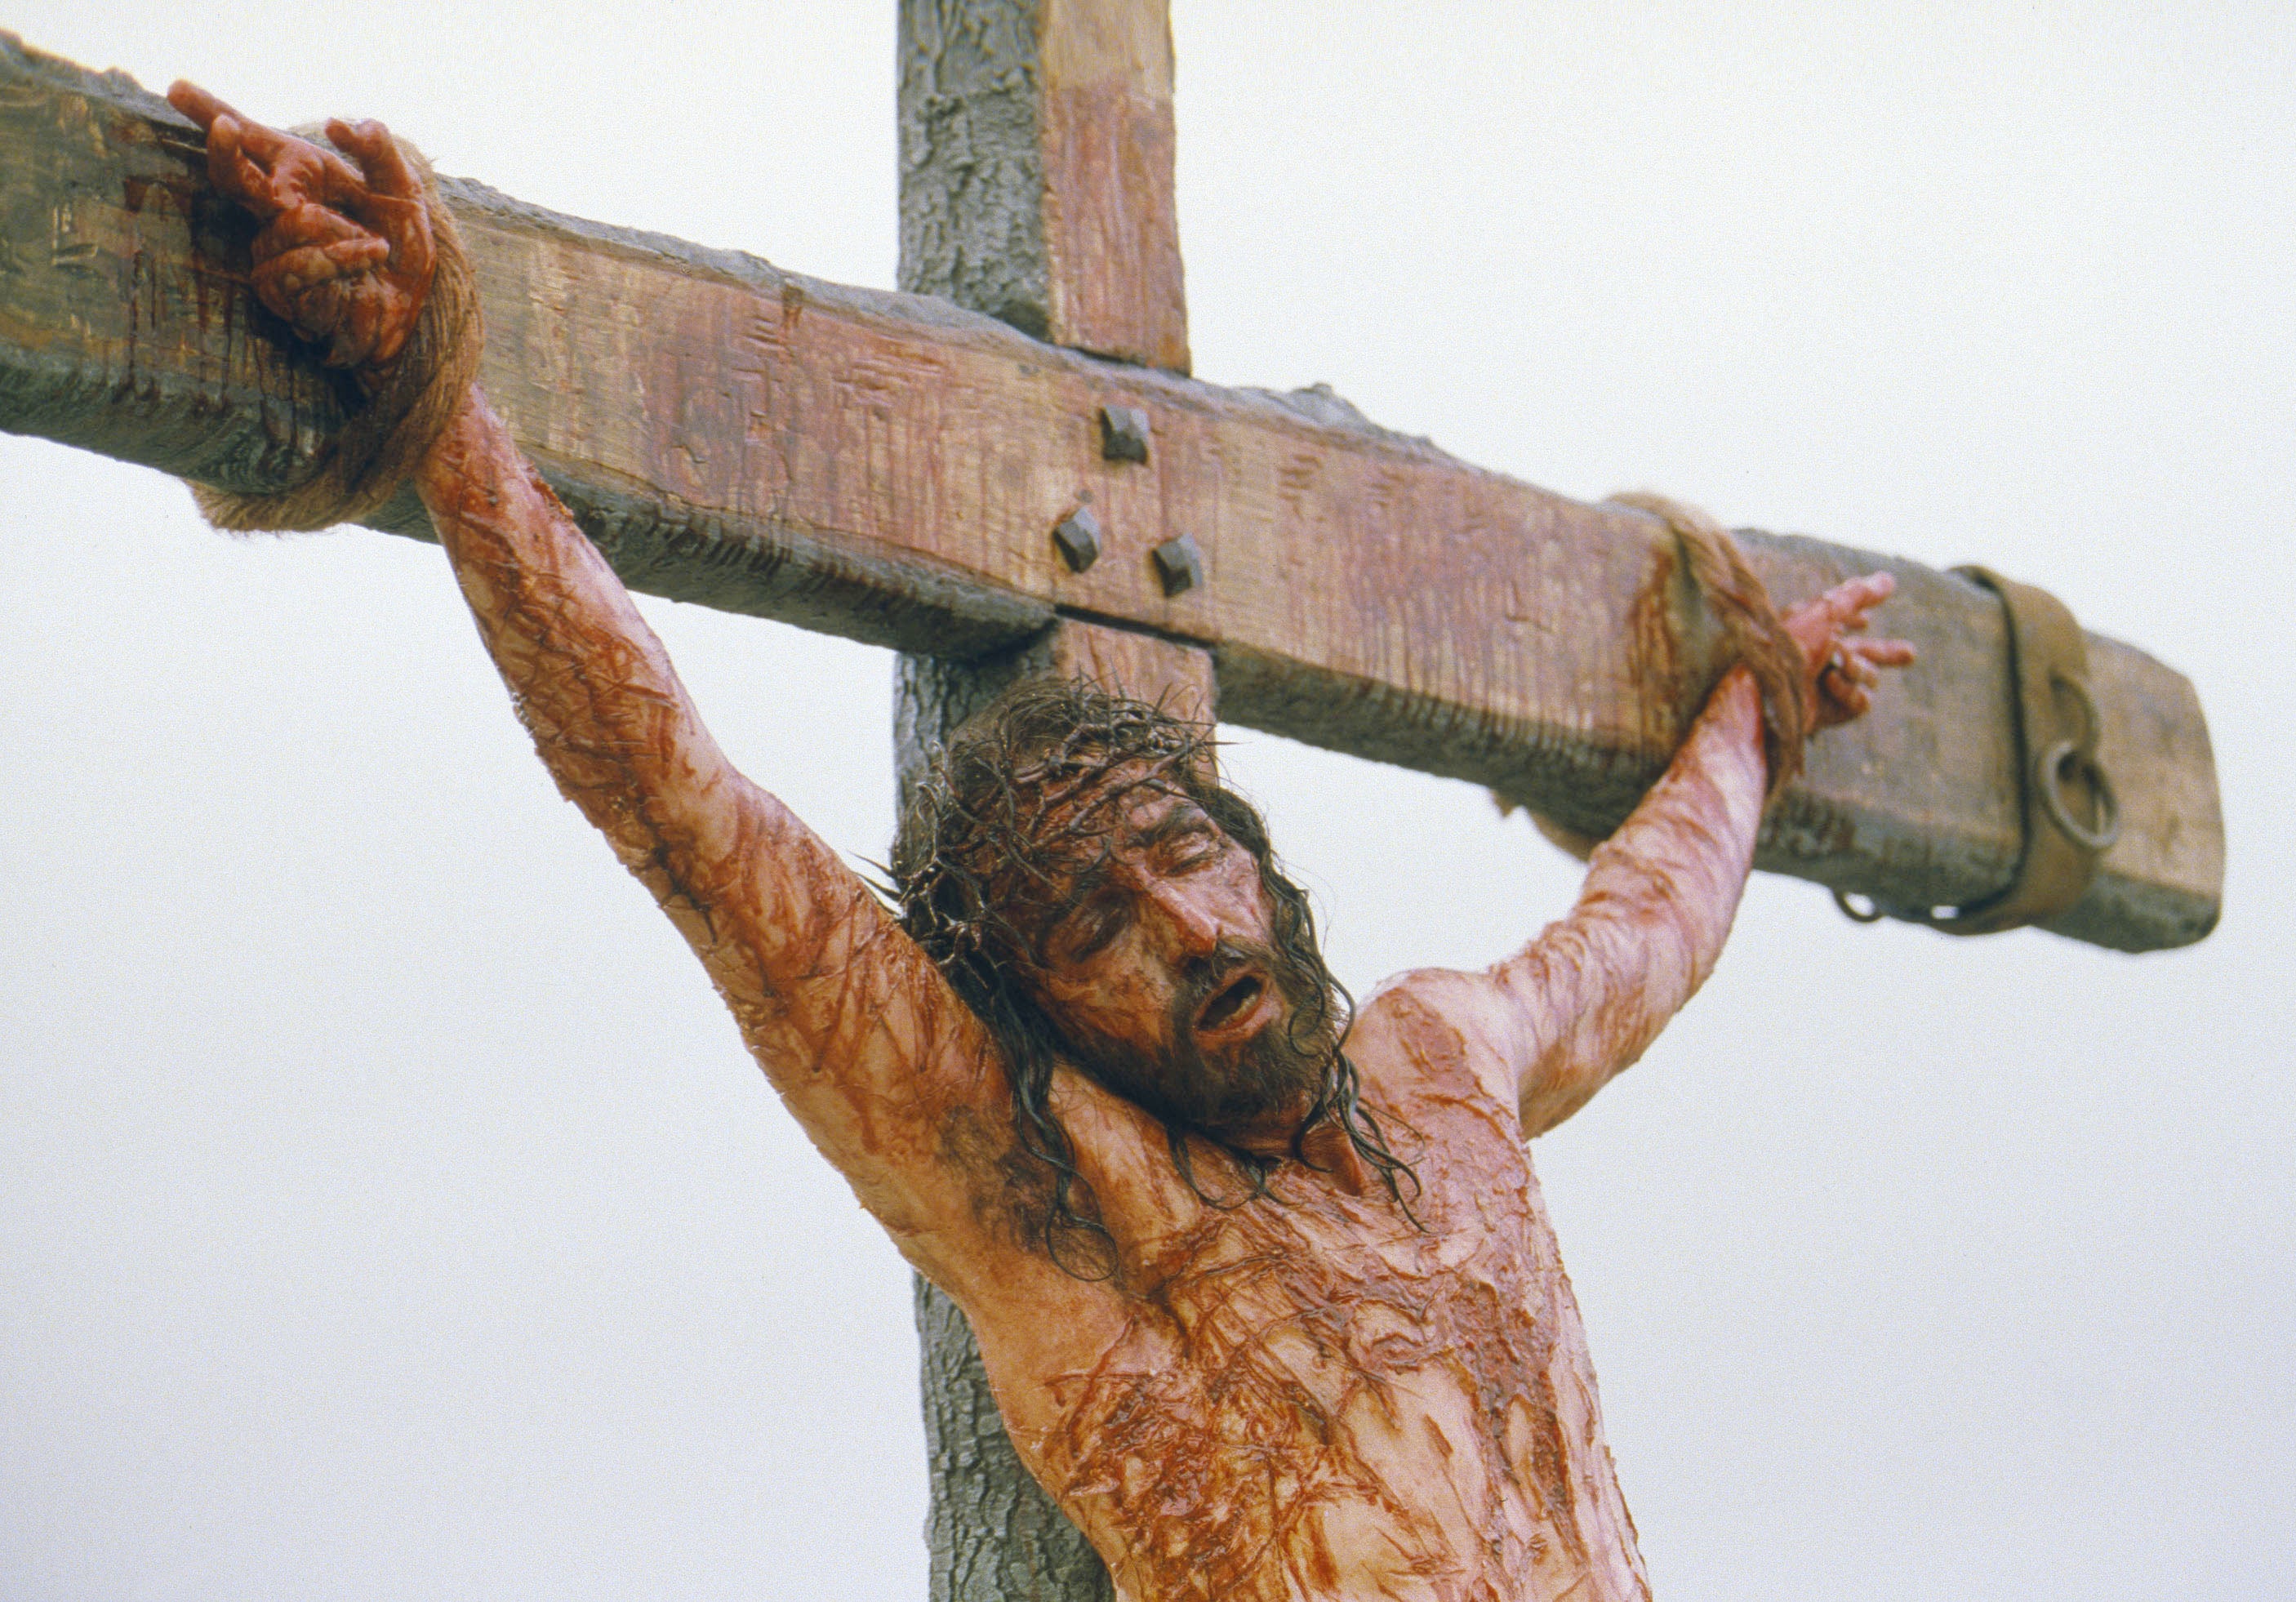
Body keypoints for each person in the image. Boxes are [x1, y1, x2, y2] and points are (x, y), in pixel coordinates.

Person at [165, 84, 1914, 1602]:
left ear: (1257, 857)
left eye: (1179, 854)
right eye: (1092, 930)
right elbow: (683, 811)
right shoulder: (1056, 1202)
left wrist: (1763, 709)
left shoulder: (1446, 1061)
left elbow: (1647, 927)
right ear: (1047, 1012)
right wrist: (438, 402)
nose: (1178, 925)